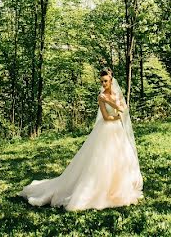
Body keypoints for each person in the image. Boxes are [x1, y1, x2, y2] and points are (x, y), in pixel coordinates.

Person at [18, 68, 144, 210]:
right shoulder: (101, 96)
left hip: (117, 131)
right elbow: (106, 117)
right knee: (102, 161)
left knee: (120, 159)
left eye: (106, 81)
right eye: (102, 81)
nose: (104, 84)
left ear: (111, 80)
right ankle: (98, 188)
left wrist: (117, 107)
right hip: (106, 129)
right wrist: (116, 112)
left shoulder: (116, 94)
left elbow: (124, 109)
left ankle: (118, 188)